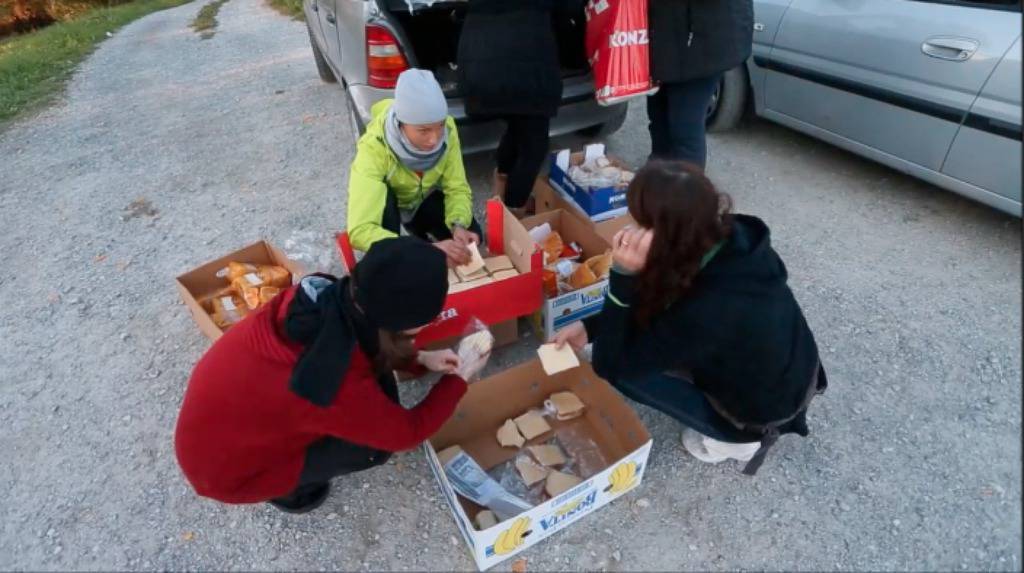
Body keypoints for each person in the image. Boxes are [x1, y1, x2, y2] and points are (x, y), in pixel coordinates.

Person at [552, 161, 826, 475]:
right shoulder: (726, 234)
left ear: (667, 233)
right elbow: (665, 288)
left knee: (625, 371)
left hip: (762, 410)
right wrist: (590, 327)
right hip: (793, 369)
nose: (629, 229)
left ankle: (736, 442)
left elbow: (609, 363)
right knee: (643, 330)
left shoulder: (709, 308)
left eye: (641, 222)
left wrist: (622, 277)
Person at [174, 237, 485, 513]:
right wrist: (458, 380)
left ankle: (295, 447)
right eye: (425, 323)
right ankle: (292, 493)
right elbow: (407, 433)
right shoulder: (329, 380)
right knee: (375, 448)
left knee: (370, 389)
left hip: (217, 425)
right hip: (225, 473)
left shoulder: (319, 295)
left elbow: (371, 343)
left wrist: (420, 359)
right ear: (404, 325)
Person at [347, 69, 482, 268]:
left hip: (421, 201)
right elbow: (360, 230)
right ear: (401, 124)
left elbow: (457, 187)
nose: (435, 139)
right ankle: (414, 245)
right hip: (390, 210)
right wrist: (426, 248)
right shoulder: (374, 148)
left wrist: (458, 225)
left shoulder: (449, 131)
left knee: (471, 238)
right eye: (423, 130)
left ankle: (422, 235)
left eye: (440, 126)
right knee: (395, 263)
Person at [457, 0, 563, 218]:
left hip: (481, 60)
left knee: (519, 125)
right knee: (534, 146)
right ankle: (514, 214)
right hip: (525, 66)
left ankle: (500, 191)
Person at [647, 0, 753, 167]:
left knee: (684, 126)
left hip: (703, 42)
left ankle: (687, 188)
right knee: (659, 116)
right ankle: (657, 176)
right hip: (668, 38)